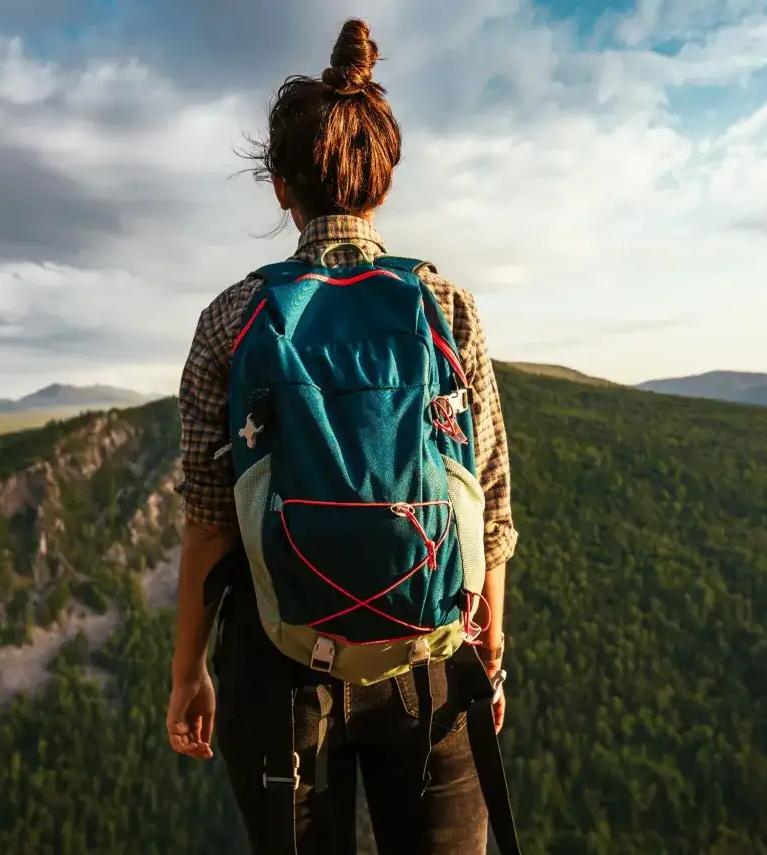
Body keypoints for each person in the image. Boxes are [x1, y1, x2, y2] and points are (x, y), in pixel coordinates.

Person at [168, 17, 520, 855]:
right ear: (383, 184)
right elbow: (490, 494)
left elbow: (210, 520)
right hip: (430, 658)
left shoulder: (231, 318)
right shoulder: (446, 306)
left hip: (279, 662)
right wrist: (490, 652)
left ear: (281, 189)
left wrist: (190, 669)